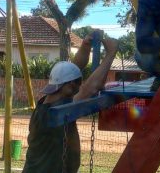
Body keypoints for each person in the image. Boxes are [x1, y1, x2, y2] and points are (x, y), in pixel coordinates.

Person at [22, 33, 118, 173]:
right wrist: (111, 53)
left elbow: (72, 69)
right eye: (78, 84)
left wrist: (85, 46)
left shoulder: (45, 103)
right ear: (71, 86)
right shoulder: (56, 113)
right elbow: (90, 88)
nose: (79, 87)